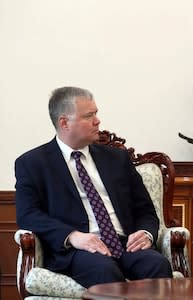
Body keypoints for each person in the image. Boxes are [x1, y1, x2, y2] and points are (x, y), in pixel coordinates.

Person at [15, 86, 172, 288]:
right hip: (78, 250)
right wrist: (72, 236)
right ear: (64, 123)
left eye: (96, 113)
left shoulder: (117, 158)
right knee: (104, 269)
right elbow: (28, 215)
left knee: (157, 264)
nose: (98, 121)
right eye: (89, 116)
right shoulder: (33, 163)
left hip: (125, 243)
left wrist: (146, 233)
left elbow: (145, 210)